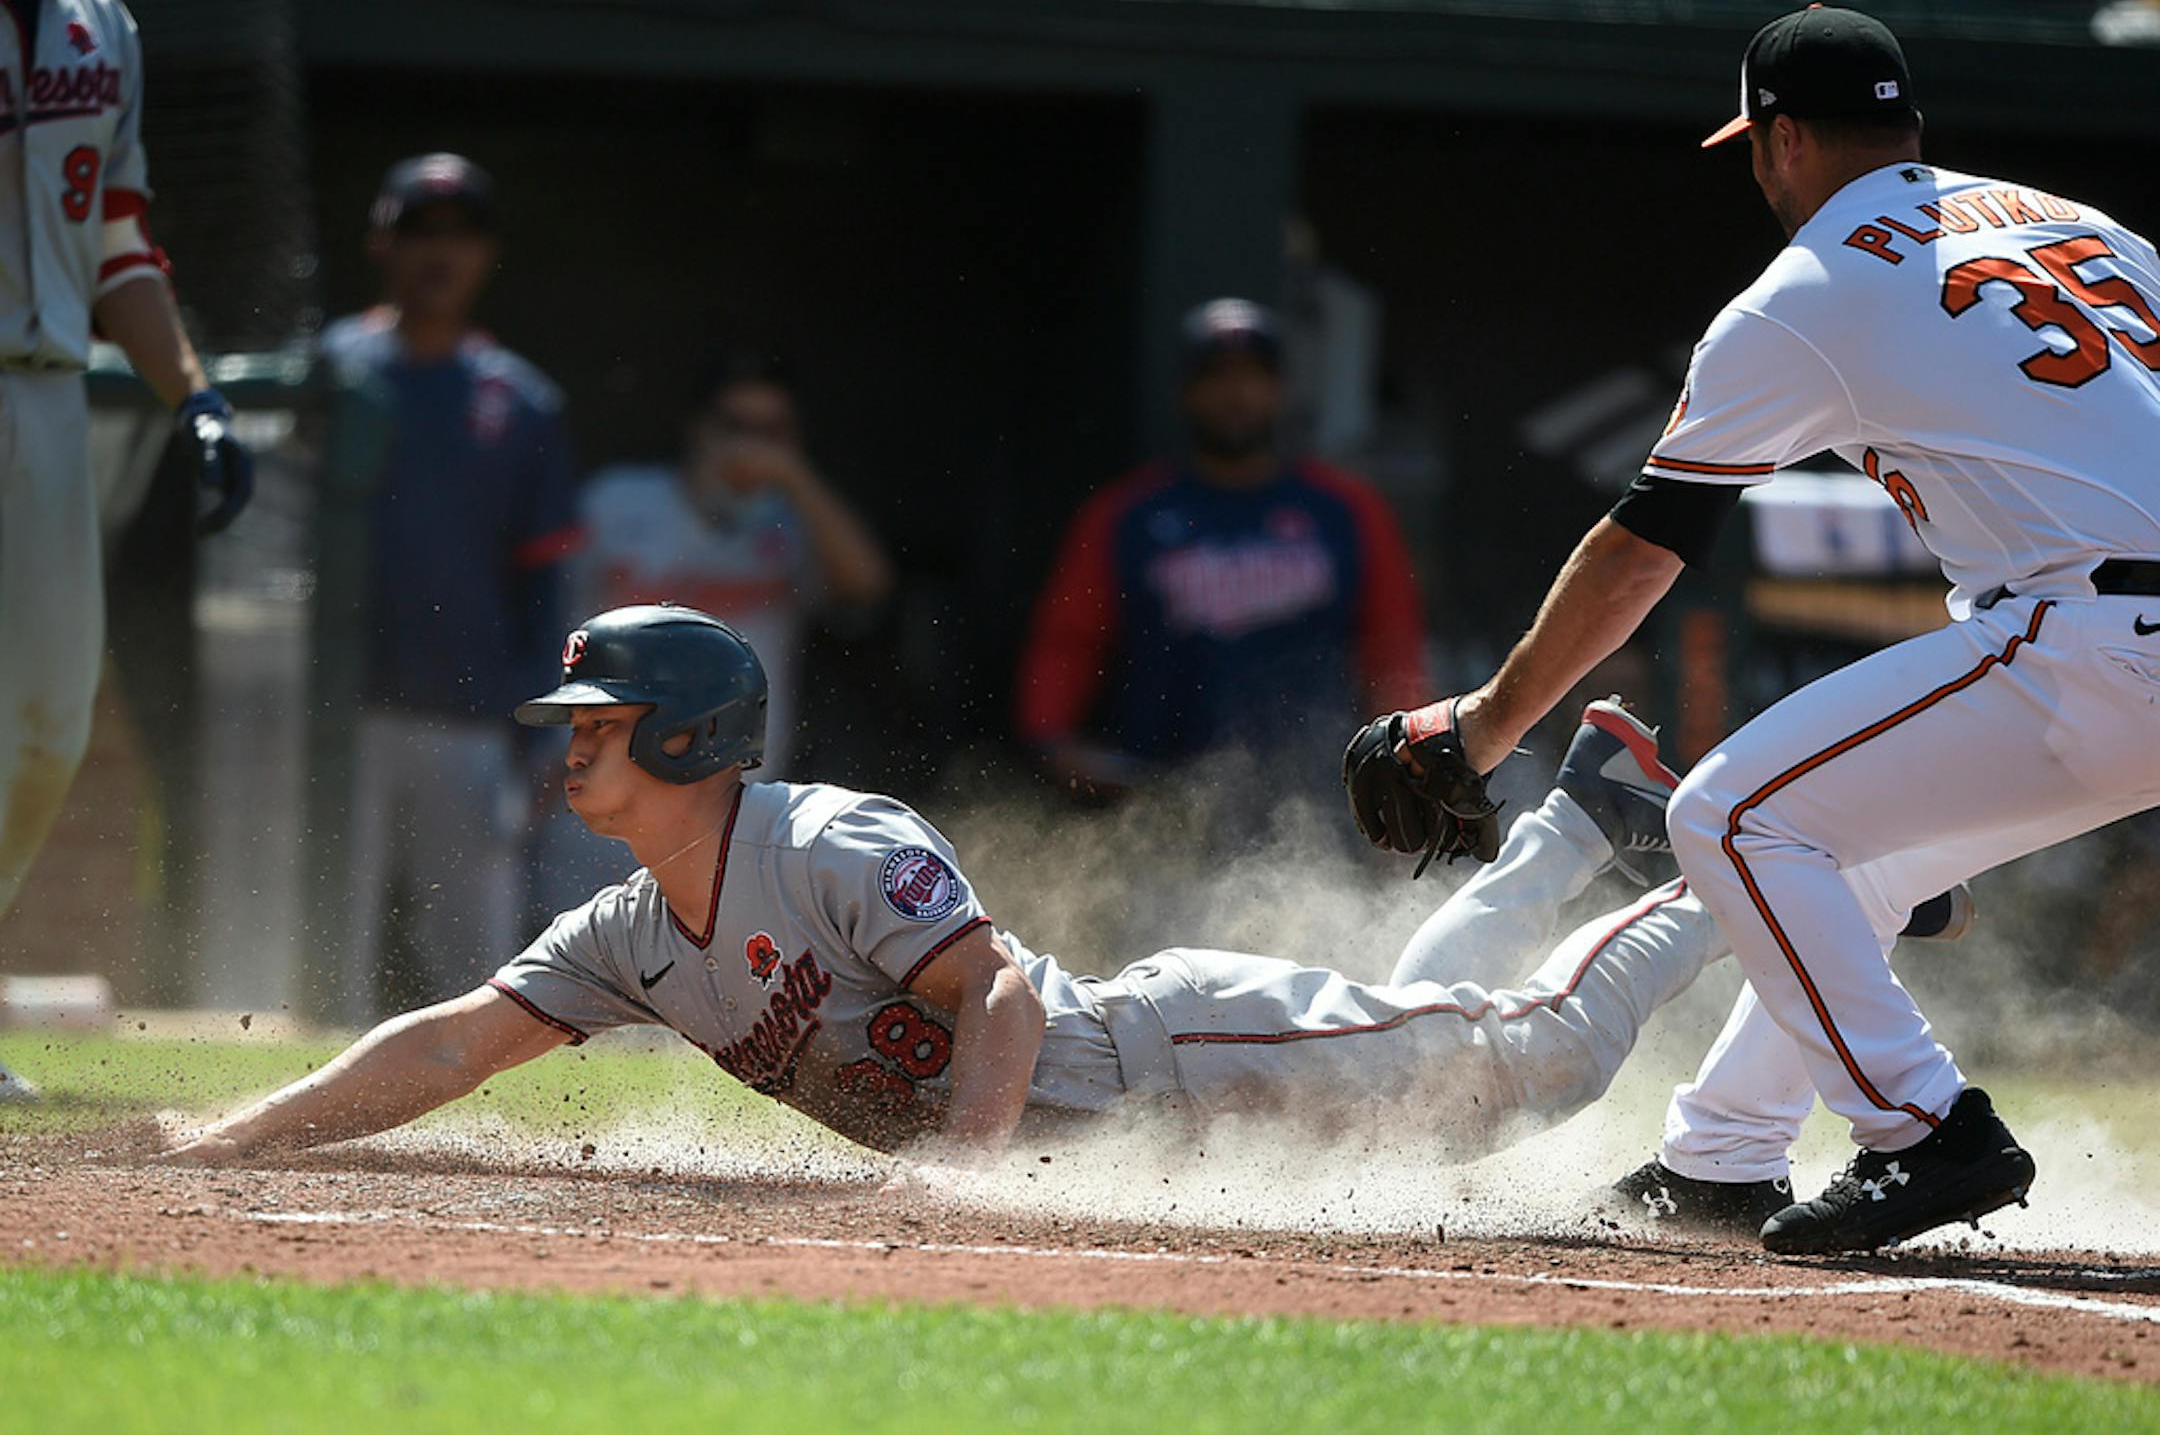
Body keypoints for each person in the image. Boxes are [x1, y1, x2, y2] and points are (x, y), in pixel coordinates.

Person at [1346, 5, 2160, 1253]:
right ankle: (1722, 1159)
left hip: (2095, 641)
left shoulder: (1805, 292)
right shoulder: (2080, 225)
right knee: (1857, 851)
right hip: (2105, 635)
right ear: (1912, 130)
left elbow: (1645, 546)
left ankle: (1926, 1131)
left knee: (1727, 812)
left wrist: (1486, 722)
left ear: (1779, 141)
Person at [160, 604, 1768, 1168]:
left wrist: (972, 1170)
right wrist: (233, 1132)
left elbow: (992, 990)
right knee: (1443, 1021)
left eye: (599, 723)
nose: (569, 748)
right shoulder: (636, 934)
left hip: (1166, 1060)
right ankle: (1583, 821)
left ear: (688, 736)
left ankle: (1737, 862)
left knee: (1529, 1067)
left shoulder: (827, 837)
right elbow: (448, 1044)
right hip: (1154, 1115)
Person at [0, 0, 253, 1103]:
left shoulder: (102, 23)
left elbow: (117, 235)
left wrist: (192, 394)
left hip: (52, 398)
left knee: (46, 729)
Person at [318, 153, 581, 1024]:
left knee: (474, 958)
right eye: (420, 233)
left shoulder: (520, 398)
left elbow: (547, 580)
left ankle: (474, 1140)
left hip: (470, 713)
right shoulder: (328, 370)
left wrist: (548, 724)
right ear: (380, 245)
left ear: (485, 254)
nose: (440, 254)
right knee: (323, 942)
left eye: (460, 235)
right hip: (333, 713)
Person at [1017, 298, 1428, 806]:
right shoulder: (1129, 513)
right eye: (1217, 377)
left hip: (1313, 789)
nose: (1236, 395)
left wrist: (1401, 757)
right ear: (1187, 392)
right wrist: (1051, 738)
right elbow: (1068, 640)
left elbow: (1390, 644)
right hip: (1163, 793)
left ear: (1279, 391)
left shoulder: (1345, 508)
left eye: (1253, 377)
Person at [572, 352, 892, 779]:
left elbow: (869, 584)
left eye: (771, 432)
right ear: (697, 424)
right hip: (603, 778)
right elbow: (535, 614)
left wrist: (793, 475)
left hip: (736, 787)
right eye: (733, 425)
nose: (751, 446)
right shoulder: (617, 499)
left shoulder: (797, 519)